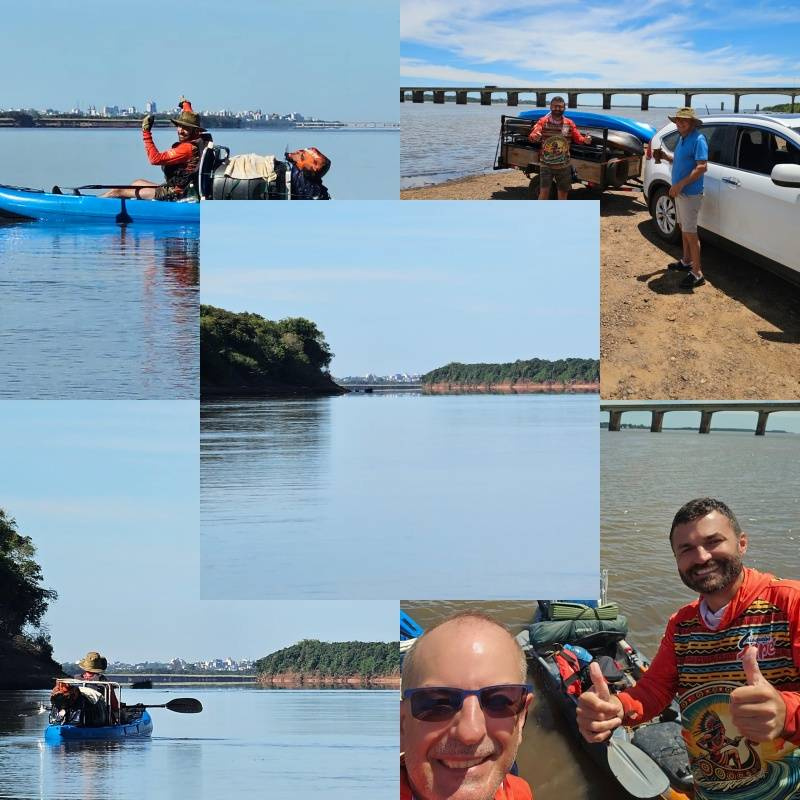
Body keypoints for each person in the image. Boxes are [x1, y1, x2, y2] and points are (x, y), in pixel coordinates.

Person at [577, 498, 800, 799]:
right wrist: (618, 708)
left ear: (742, 543)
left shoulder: (790, 604)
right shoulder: (682, 624)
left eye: (713, 541)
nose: (702, 557)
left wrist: (785, 712)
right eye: (686, 550)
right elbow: (654, 689)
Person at [401, 612, 534, 800]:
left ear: (521, 720)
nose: (469, 733)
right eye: (439, 704)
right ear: (401, 724)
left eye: (498, 702)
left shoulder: (519, 793)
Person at [102, 98, 209, 201]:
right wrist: (186, 104)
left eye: (186, 128)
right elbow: (190, 116)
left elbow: (155, 159)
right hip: (178, 188)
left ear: (194, 130)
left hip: (174, 193)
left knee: (117, 192)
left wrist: (146, 132)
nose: (180, 131)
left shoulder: (187, 148)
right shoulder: (199, 138)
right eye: (179, 126)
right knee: (136, 183)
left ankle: (88, 206)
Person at [655, 108, 708, 289]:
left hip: (690, 193)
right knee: (682, 227)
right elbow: (680, 161)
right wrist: (665, 156)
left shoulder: (698, 139)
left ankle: (697, 273)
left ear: (692, 123)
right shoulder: (682, 138)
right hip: (680, 192)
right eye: (678, 120)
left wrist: (680, 185)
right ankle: (686, 261)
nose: (680, 123)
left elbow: (702, 167)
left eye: (684, 120)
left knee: (690, 233)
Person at [528, 96, 592, 200]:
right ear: (550, 107)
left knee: (563, 194)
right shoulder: (542, 121)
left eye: (560, 106)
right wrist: (534, 136)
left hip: (564, 166)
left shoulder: (569, 123)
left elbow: (578, 138)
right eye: (555, 106)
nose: (557, 108)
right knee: (544, 193)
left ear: (564, 108)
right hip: (546, 165)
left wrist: (585, 140)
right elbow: (533, 135)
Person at [76, 650, 120, 723]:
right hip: (99, 719)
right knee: (120, 715)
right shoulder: (105, 683)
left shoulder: (75, 680)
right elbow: (114, 705)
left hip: (77, 716)